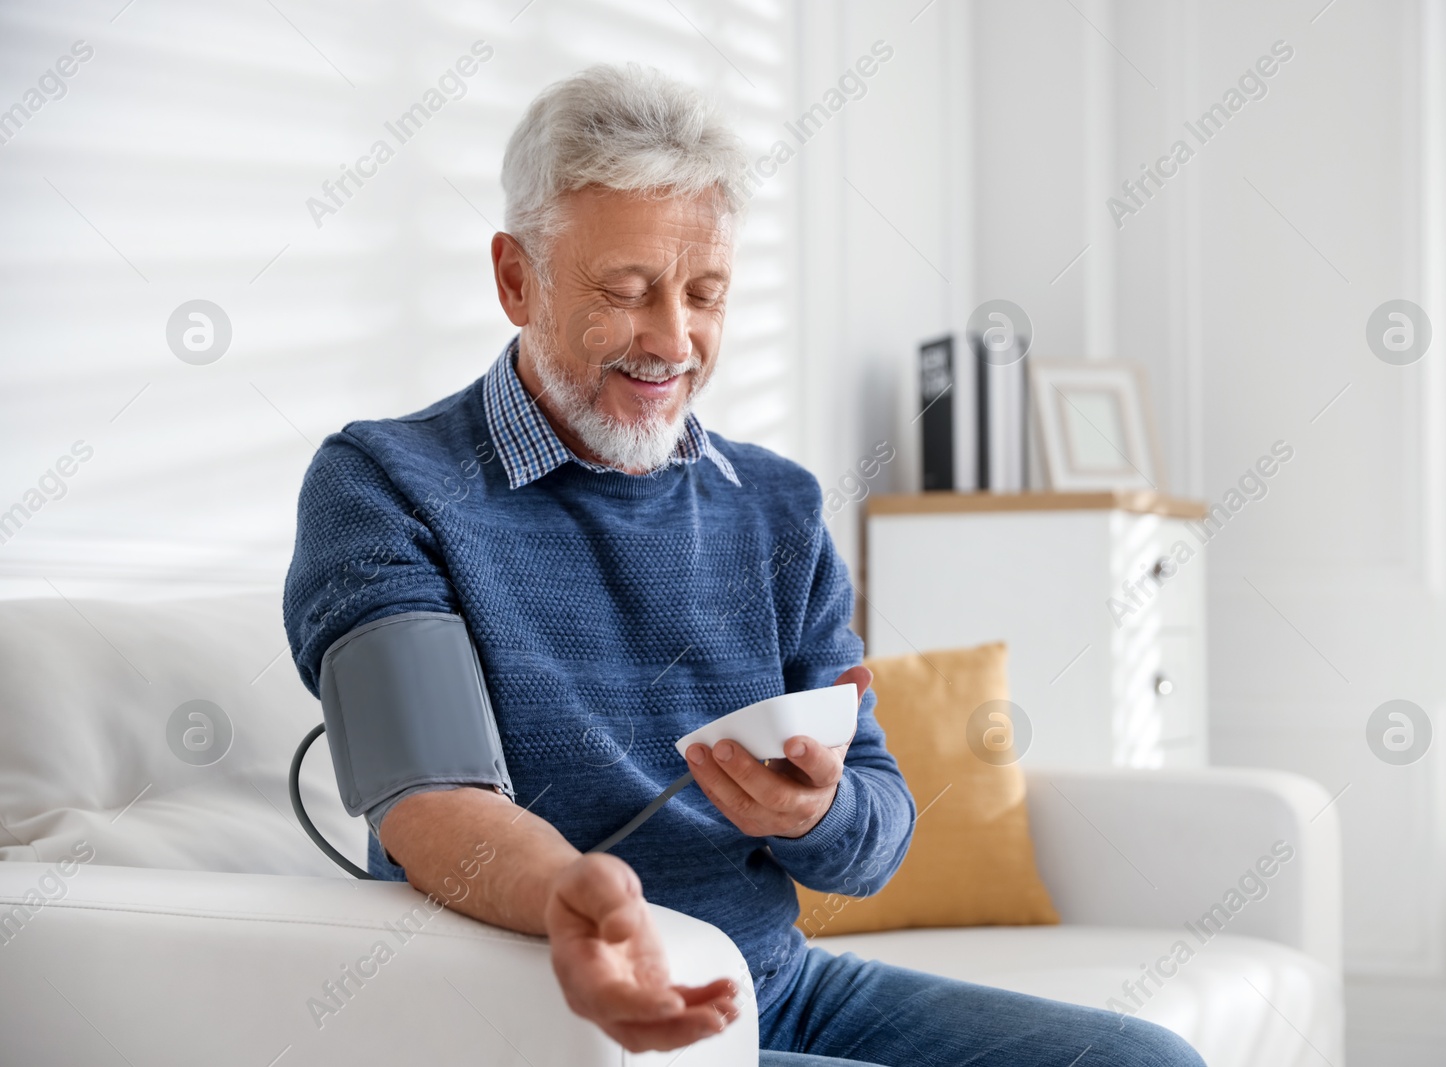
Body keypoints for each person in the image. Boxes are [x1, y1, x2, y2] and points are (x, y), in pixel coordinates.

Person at [284, 61, 1205, 1067]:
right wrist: (572, 902)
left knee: (1146, 1060)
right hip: (546, 1011)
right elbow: (427, 793)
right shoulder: (383, 482)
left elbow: (879, 822)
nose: (672, 340)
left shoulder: (776, 505)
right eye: (627, 292)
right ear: (517, 278)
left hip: (773, 981)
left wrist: (817, 810)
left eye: (705, 293)